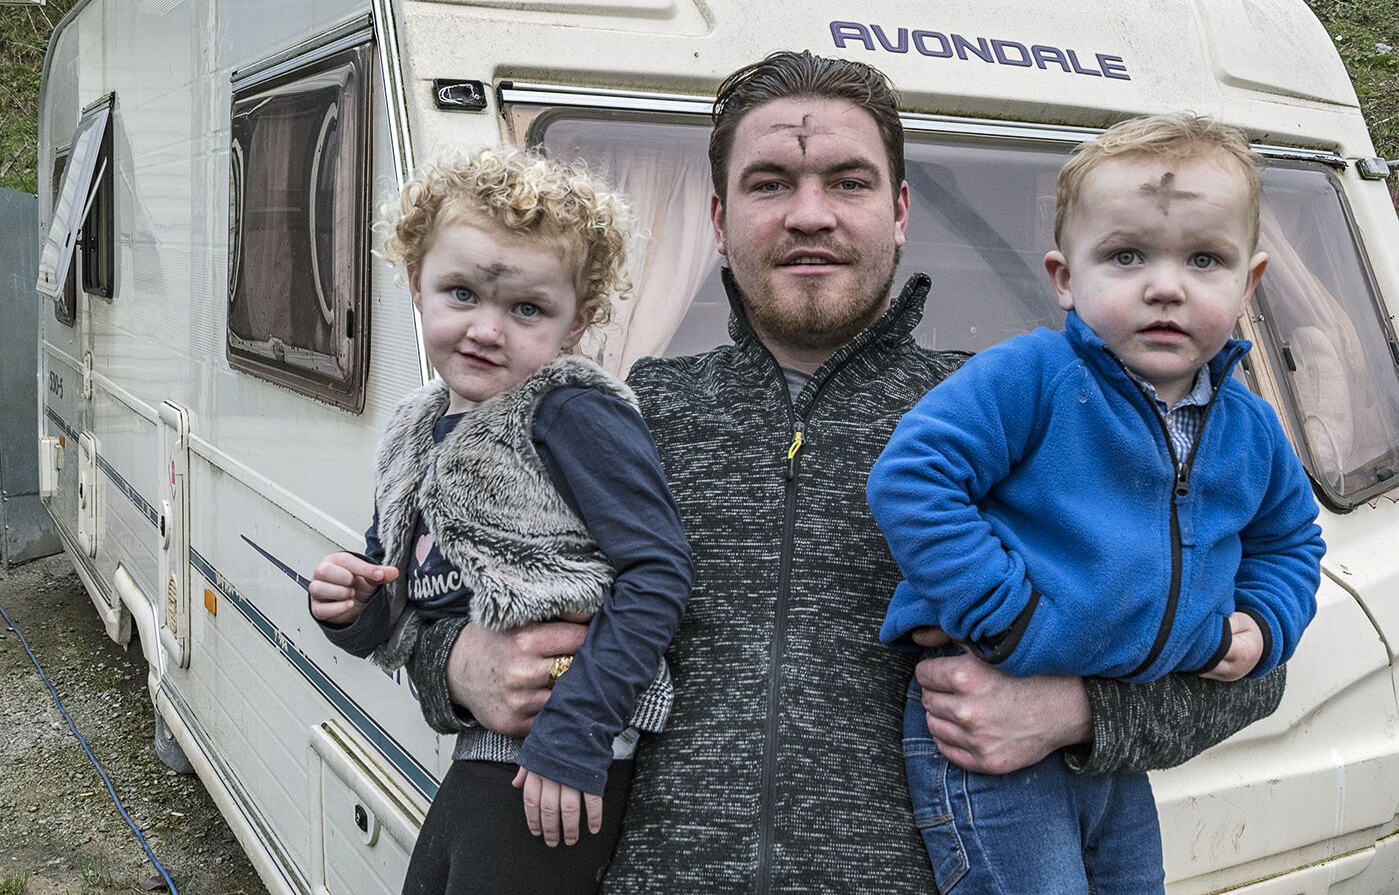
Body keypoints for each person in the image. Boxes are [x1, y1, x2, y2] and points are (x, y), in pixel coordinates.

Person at [408, 52, 1290, 893]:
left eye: (848, 181)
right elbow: (441, 589)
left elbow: (1251, 664)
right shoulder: (625, 413)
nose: (809, 213)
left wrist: (1080, 713)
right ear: (718, 219)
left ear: (900, 210)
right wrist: (456, 668)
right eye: (770, 183)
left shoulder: (1020, 420)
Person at [867, 113, 1325, 893]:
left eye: (1204, 259)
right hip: (987, 739)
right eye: (1126, 255)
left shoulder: (1249, 425)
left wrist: (1263, 621)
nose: (1166, 285)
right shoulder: (1035, 377)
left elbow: (1290, 539)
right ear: (1066, 277)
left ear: (1249, 283)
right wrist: (1008, 615)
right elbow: (912, 475)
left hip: (1119, 741)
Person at [306, 149, 693, 895]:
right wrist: (351, 607)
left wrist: (577, 729)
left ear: (576, 322)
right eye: (461, 292)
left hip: (574, 745)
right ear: (415, 282)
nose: (488, 329)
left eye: (527, 308)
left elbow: (659, 568)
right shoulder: (413, 428)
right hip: (481, 743)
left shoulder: (572, 412)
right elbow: (398, 589)